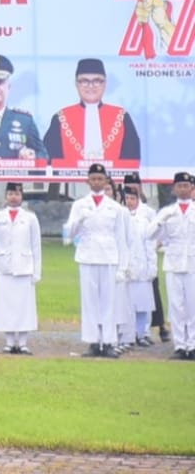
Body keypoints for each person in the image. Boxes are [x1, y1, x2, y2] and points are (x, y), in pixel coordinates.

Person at [63, 163, 132, 357]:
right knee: (90, 301)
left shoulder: (115, 208)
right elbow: (67, 237)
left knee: (109, 302)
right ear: (87, 181)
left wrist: (122, 267)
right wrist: (79, 221)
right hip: (87, 256)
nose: (96, 182)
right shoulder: (79, 205)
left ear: (106, 181)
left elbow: (121, 239)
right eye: (93, 179)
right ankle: (93, 341)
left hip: (109, 257)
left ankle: (109, 342)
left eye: (100, 179)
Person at [0, 183, 42, 354]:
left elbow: (36, 246)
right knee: (5, 305)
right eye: (10, 193)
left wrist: (37, 271)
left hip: (24, 266)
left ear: (22, 196)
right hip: (3, 266)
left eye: (17, 193)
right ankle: (8, 342)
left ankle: (22, 342)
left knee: (24, 306)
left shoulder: (30, 218)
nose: (14, 197)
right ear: (6, 196)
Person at [43, 58, 142, 162]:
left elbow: (132, 161)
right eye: (84, 81)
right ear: (76, 84)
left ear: (105, 84)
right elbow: (50, 162)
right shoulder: (60, 118)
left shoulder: (121, 117)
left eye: (97, 81)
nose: (91, 86)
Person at [151, 172, 195, 360]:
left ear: (192, 188)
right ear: (174, 189)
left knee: (192, 306)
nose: (183, 189)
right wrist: (161, 221)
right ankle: (180, 345)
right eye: (180, 186)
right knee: (176, 306)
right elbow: (150, 235)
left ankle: (192, 345)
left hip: (193, 262)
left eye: (187, 185)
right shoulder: (167, 212)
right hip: (173, 263)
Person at [122, 174, 158, 348]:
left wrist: (152, 266)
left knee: (144, 303)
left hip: (143, 264)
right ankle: (128, 334)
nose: (129, 201)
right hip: (126, 265)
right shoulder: (120, 214)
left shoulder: (148, 214)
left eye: (132, 198)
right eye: (127, 198)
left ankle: (143, 333)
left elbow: (151, 242)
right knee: (127, 303)